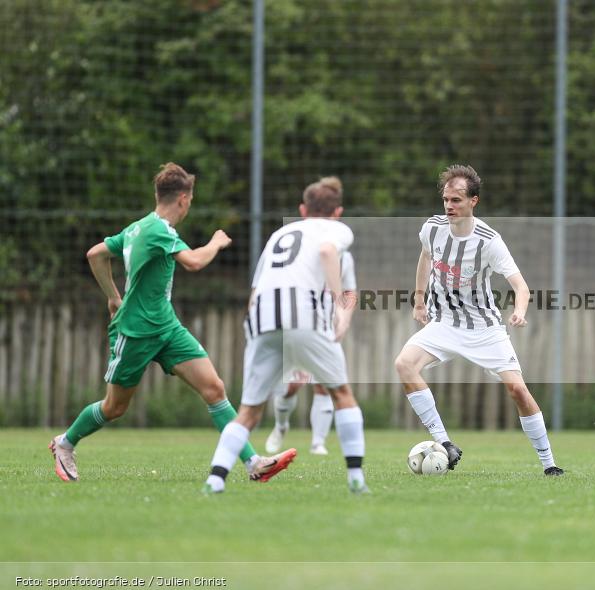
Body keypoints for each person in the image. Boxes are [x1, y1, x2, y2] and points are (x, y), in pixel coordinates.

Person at [49, 163, 295, 483]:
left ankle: (253, 463)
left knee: (214, 388)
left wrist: (112, 296)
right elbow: (194, 262)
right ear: (183, 198)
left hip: (167, 328)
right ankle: (64, 443)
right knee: (114, 407)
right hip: (135, 332)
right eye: (190, 200)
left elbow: (96, 254)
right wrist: (217, 242)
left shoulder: (138, 228)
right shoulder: (160, 230)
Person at [394, 164, 564, 476]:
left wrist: (519, 311)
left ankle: (549, 464)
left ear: (474, 201)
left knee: (518, 391)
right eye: (446, 199)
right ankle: (444, 444)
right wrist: (419, 300)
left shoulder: (489, 240)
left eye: (456, 200)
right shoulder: (432, 228)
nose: (449, 206)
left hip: (484, 328)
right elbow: (425, 257)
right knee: (404, 364)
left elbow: (521, 286)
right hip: (445, 323)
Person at [203, 176, 368, 494]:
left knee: (249, 411)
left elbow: (255, 290)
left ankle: (215, 480)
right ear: (338, 212)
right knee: (342, 394)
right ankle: (356, 480)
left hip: (262, 317)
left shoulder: (280, 233)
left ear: (303, 209)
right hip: (304, 314)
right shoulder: (335, 230)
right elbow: (326, 251)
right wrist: (337, 306)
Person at [265, 251, 357, 456]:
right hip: (298, 328)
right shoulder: (299, 253)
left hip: (326, 331)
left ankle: (318, 443)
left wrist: (343, 318)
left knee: (325, 386)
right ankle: (281, 426)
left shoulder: (344, 256)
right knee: (291, 387)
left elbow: (349, 291)